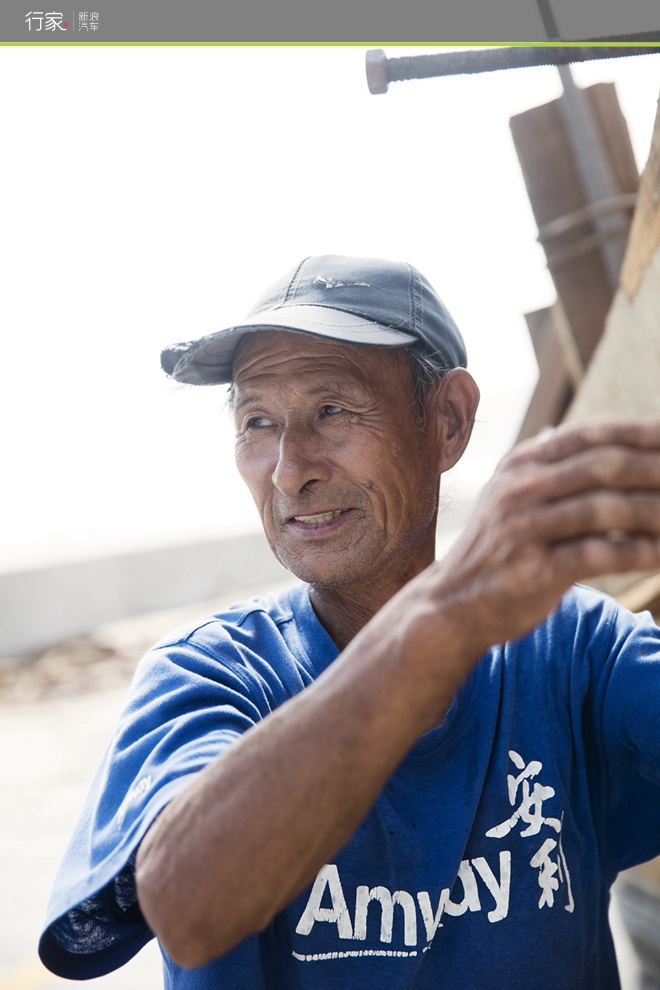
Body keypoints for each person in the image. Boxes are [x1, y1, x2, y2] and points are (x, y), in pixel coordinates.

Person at [39, 254, 660, 989]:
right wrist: (445, 619)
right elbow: (186, 905)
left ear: (449, 421)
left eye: (333, 410)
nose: (288, 469)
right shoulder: (208, 674)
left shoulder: (576, 650)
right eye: (257, 421)